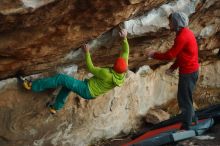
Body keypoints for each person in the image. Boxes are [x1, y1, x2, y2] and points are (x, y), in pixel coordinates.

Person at [20, 29, 129, 114]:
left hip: (86, 90)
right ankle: (55, 107)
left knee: (61, 78)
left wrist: (87, 52)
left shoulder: (107, 74)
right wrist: (124, 38)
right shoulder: (122, 71)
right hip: (91, 92)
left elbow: (91, 68)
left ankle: (32, 85)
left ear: (114, 67)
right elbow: (125, 52)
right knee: (67, 86)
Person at [148, 12, 199, 130]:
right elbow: (182, 56)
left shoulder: (182, 36)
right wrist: (173, 68)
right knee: (187, 98)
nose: (169, 24)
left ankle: (187, 127)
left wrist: (153, 54)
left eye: (170, 22)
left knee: (184, 99)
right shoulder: (185, 33)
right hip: (191, 71)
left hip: (188, 72)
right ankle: (193, 121)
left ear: (176, 23)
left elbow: (170, 55)